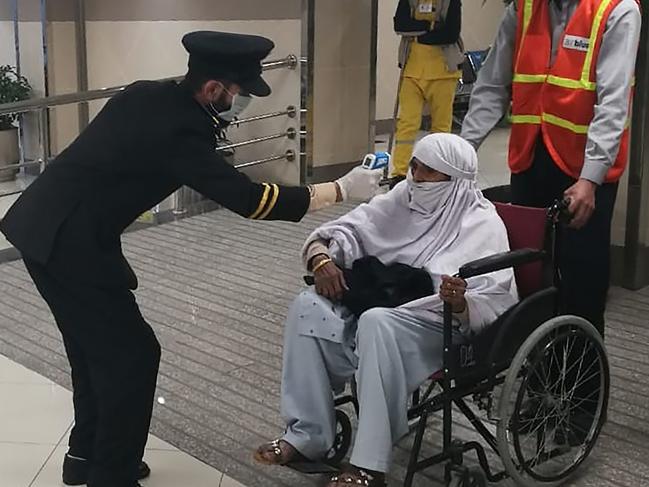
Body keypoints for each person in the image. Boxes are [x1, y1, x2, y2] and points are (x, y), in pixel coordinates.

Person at [0, 31, 382, 487]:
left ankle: (87, 457)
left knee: (93, 351)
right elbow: (250, 199)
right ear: (213, 89)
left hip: (49, 227)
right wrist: (341, 189)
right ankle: (112, 474)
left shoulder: (151, 93)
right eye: (238, 92)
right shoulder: (181, 130)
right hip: (70, 244)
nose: (241, 103)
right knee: (132, 356)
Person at [254, 134, 518, 487]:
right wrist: (321, 258)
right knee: (307, 306)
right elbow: (349, 229)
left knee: (376, 323)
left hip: (435, 323)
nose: (417, 178)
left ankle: (368, 465)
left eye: (430, 172)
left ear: (455, 181)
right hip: (381, 304)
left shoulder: (482, 224)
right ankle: (308, 435)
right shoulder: (401, 198)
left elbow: (495, 298)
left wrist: (460, 303)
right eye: (415, 167)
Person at [461, 0, 641, 337]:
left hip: (583, 172)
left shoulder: (616, 10)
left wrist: (590, 179)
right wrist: (461, 153)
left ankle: (582, 383)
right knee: (528, 274)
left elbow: (613, 103)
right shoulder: (523, 8)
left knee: (581, 281)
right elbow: (492, 84)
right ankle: (536, 375)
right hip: (530, 160)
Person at [390, 0, 463, 185]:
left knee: (440, 127)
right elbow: (400, 25)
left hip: (444, 72)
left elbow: (450, 33)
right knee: (407, 123)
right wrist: (431, 26)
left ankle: (436, 171)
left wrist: (419, 31)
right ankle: (398, 173)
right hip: (411, 70)